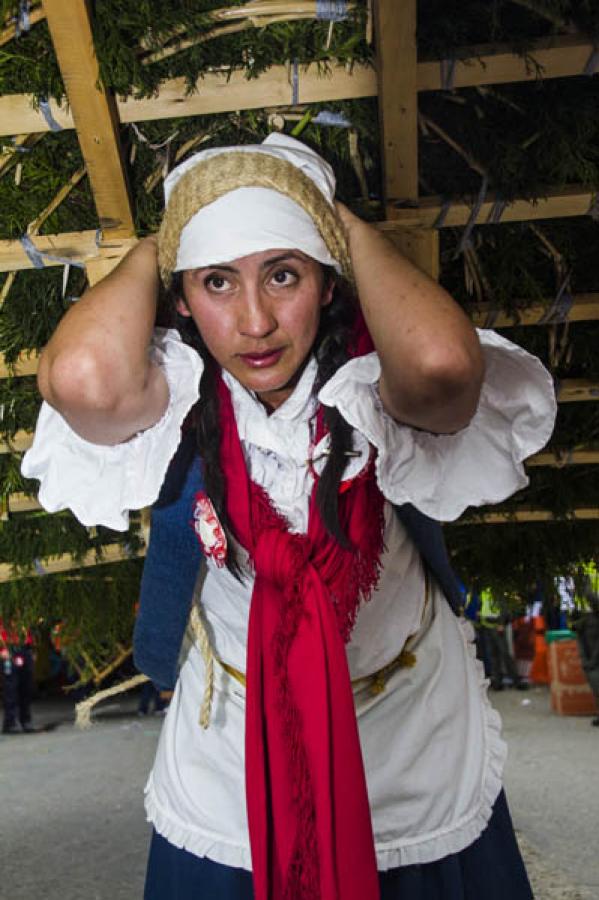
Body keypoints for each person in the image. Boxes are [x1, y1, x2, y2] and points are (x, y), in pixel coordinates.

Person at [22, 134, 557, 899]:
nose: (256, 323)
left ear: (330, 282)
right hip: (234, 736)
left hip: (405, 726)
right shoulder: (168, 398)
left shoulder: (376, 382)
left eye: (283, 275)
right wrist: (162, 236)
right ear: (177, 297)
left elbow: (442, 367)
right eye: (215, 282)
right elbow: (80, 377)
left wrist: (330, 217)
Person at [1, 617, 36, 734]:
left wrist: (31, 649)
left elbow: (29, 629)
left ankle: (25, 720)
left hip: (24, 649)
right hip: (8, 647)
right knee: (11, 688)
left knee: (26, 686)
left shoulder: (22, 608)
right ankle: (10, 722)